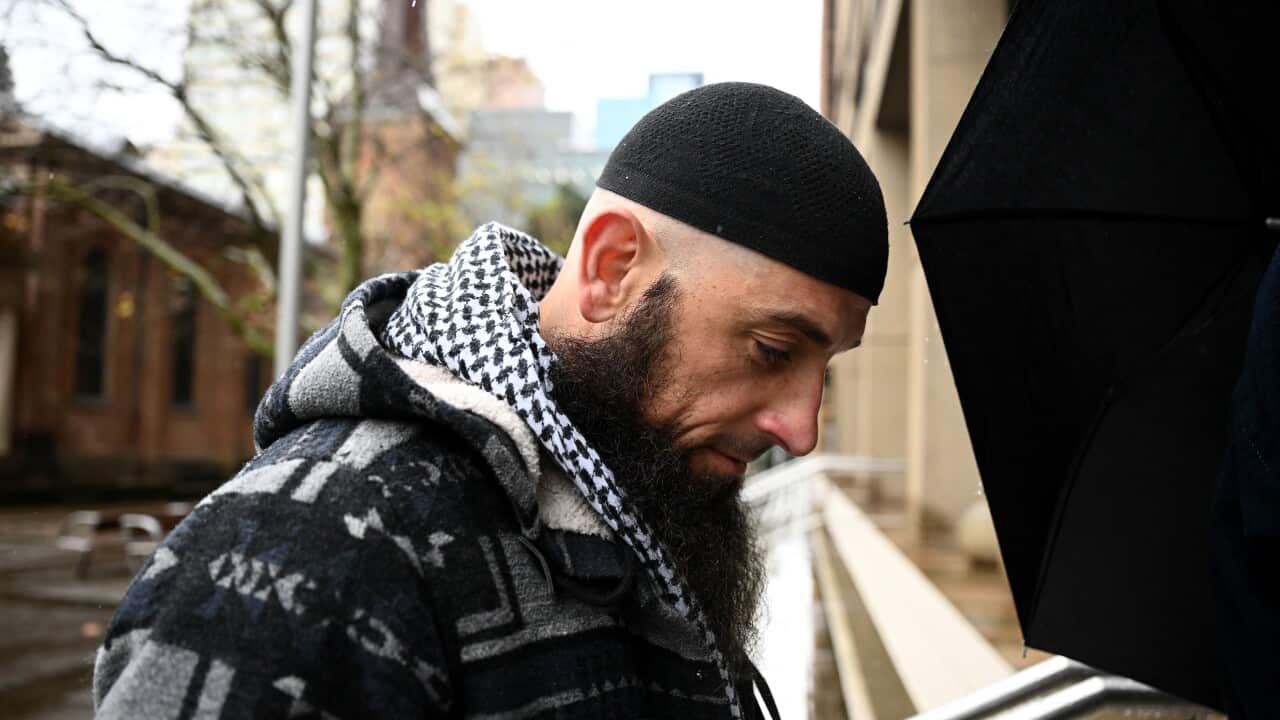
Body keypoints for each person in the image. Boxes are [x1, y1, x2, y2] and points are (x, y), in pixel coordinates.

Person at [91, 82, 888, 719]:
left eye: (826, 369)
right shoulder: (309, 547)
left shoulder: (641, 494)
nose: (802, 428)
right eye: (773, 351)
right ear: (612, 270)